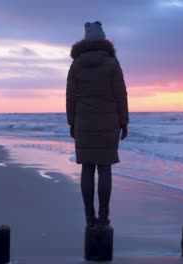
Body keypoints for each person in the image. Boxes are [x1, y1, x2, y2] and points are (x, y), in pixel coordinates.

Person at [66, 21, 129, 227]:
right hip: (108, 123)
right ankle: (103, 217)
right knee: (104, 169)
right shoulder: (112, 62)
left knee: (87, 168)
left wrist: (71, 123)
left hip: (83, 123)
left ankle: (88, 217)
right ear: (103, 39)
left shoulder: (76, 64)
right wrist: (124, 121)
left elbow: (70, 97)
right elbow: (121, 94)